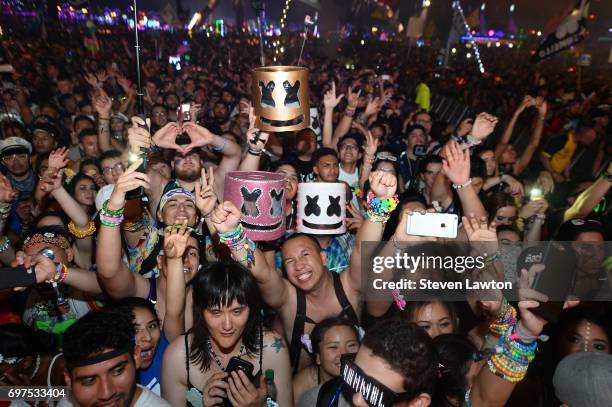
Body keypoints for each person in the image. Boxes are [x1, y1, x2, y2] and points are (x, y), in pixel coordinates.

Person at [210, 171, 397, 372]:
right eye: (289, 261)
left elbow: (362, 249)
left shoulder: (349, 286)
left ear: (323, 257)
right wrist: (233, 234)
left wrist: (381, 201)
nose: (299, 266)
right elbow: (262, 271)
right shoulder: (286, 297)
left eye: (305, 254)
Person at [161, 262, 293, 407]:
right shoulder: (178, 357)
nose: (227, 325)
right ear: (200, 312)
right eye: (216, 313)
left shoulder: (273, 348)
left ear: (252, 309)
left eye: (237, 311)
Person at [297, 318, 437, 407]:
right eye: (354, 377)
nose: (357, 400)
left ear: (418, 404)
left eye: (374, 394)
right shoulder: (320, 399)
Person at [61, 308, 170, 406]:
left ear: (136, 357)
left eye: (118, 371)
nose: (106, 393)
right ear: (68, 379)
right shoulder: (65, 402)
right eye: (89, 381)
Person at [293, 318, 361, 405]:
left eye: (351, 345)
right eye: (333, 347)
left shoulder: (370, 386)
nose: (344, 353)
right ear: (318, 356)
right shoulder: (303, 388)